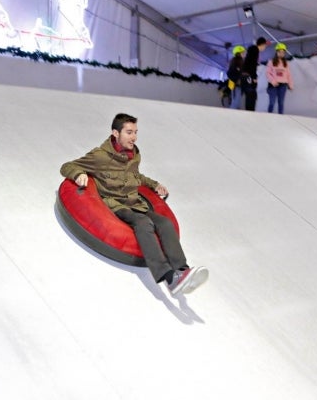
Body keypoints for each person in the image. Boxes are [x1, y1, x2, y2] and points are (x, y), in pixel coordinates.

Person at [60, 113, 209, 297]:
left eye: (136, 132)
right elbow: (67, 165)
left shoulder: (134, 155)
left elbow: (136, 177)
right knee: (143, 223)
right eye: (129, 132)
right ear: (116, 133)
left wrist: (154, 184)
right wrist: (77, 174)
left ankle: (182, 270)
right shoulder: (100, 156)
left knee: (164, 223)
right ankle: (170, 278)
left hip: (135, 203)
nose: (134, 137)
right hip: (116, 205)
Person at [242, 37, 269, 111]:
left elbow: (251, 63)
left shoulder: (252, 50)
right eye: (265, 46)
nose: (264, 48)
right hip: (248, 75)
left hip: (245, 75)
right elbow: (252, 64)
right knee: (251, 95)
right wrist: (254, 77)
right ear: (262, 44)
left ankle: (249, 112)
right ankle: (250, 113)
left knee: (250, 95)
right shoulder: (255, 50)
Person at [266, 42, 293, 114]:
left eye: (283, 52)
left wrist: (290, 85)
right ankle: (268, 116)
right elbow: (268, 73)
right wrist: (273, 81)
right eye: (280, 52)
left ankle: (281, 118)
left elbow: (288, 74)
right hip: (273, 85)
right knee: (272, 102)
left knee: (281, 103)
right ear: (276, 52)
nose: (281, 54)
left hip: (283, 85)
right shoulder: (271, 62)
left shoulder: (285, 63)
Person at [228, 45, 246, 110]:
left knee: (236, 101)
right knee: (235, 101)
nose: (244, 54)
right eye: (243, 52)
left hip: (236, 84)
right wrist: (236, 80)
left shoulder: (241, 62)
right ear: (238, 53)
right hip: (235, 84)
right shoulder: (235, 61)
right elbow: (229, 73)